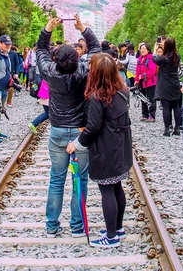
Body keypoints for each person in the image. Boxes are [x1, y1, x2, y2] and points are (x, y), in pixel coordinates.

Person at [37, 14, 101, 238]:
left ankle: (51, 226)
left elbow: (41, 51)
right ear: (76, 59)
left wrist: (47, 29)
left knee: (56, 178)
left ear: (57, 60)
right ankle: (77, 226)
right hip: (80, 132)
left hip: (57, 130)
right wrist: (83, 28)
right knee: (80, 179)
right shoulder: (84, 70)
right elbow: (95, 48)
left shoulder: (50, 73)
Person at [67, 53, 132, 248]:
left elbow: (93, 127)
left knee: (107, 191)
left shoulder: (97, 97)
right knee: (117, 186)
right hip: (122, 147)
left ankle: (111, 237)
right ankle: (118, 227)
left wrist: (76, 144)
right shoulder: (122, 91)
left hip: (106, 149)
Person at [153, 38, 182, 136]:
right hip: (175, 83)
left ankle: (167, 129)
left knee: (166, 107)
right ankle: (177, 128)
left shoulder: (163, 58)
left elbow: (154, 59)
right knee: (176, 107)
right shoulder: (177, 56)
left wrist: (155, 49)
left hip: (165, 85)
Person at [135, 42, 157, 121]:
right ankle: (145, 114)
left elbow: (152, 71)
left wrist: (143, 75)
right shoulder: (139, 59)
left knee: (151, 98)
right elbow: (137, 71)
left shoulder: (151, 59)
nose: (142, 50)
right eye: (141, 49)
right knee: (142, 98)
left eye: (144, 49)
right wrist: (136, 80)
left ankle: (152, 115)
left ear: (148, 50)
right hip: (142, 82)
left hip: (150, 82)